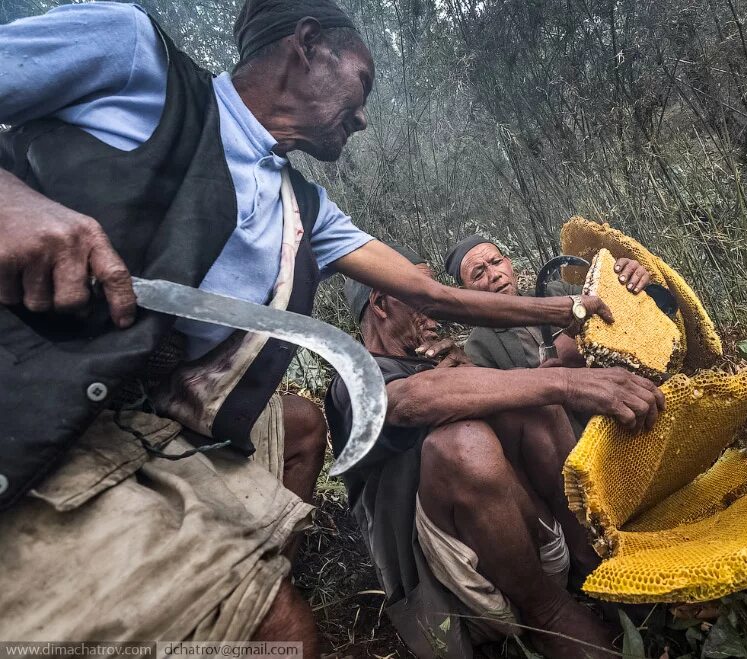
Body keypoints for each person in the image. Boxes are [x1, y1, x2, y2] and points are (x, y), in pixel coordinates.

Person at [0, 1, 614, 653]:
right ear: (308, 45)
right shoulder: (128, 49)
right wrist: (10, 202)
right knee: (270, 628)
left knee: (279, 620)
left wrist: (572, 309)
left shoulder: (306, 212)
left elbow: (435, 293)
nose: (364, 113)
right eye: (362, 80)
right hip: (29, 400)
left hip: (144, 427)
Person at [326, 246, 665, 658]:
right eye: (422, 295)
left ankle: (591, 559)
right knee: (462, 442)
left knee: (526, 401)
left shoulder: (438, 355)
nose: (437, 309)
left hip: (529, 539)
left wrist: (625, 285)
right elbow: (408, 401)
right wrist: (569, 384)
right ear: (381, 304)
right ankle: (548, 614)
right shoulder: (353, 376)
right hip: (450, 590)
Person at [444, 235, 651, 370]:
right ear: (465, 291)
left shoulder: (558, 291)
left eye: (497, 262)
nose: (495, 275)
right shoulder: (479, 347)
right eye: (479, 273)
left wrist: (630, 280)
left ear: (509, 263)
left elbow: (618, 310)